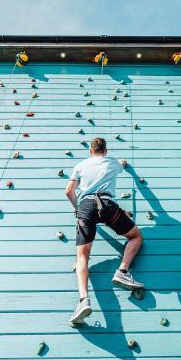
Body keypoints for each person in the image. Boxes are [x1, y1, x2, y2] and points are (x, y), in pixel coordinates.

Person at [64, 137, 144, 325]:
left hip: (86, 207)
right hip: (108, 206)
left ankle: (83, 300)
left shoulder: (80, 165)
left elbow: (68, 191)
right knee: (136, 237)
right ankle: (122, 270)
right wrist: (122, 163)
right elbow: (122, 164)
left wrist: (77, 208)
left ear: (90, 151)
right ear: (105, 151)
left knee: (82, 258)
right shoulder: (113, 163)